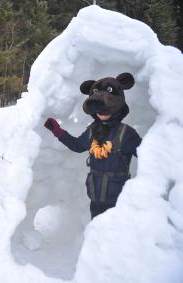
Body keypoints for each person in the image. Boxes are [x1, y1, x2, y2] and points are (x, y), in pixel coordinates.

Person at [44, 73, 142, 219]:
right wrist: (58, 132)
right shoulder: (92, 131)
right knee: (96, 234)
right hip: (96, 197)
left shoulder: (126, 133)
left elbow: (147, 156)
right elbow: (77, 146)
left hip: (120, 200)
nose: (101, 112)